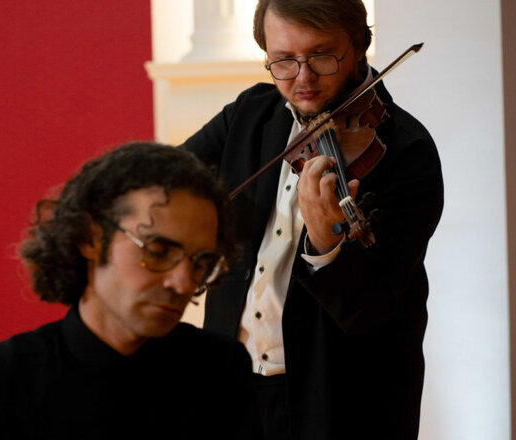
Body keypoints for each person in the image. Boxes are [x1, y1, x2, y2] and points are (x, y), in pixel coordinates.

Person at [181, 1, 444, 439]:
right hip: (235, 392)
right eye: (283, 60)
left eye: (321, 56)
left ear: (359, 45)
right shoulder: (250, 114)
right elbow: (166, 177)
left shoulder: (405, 151)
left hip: (341, 406)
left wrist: (327, 245)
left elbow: (373, 314)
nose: (302, 78)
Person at [0, 142, 260, 439]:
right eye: (158, 251)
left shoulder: (220, 371)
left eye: (201, 262)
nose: (183, 283)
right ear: (90, 238)